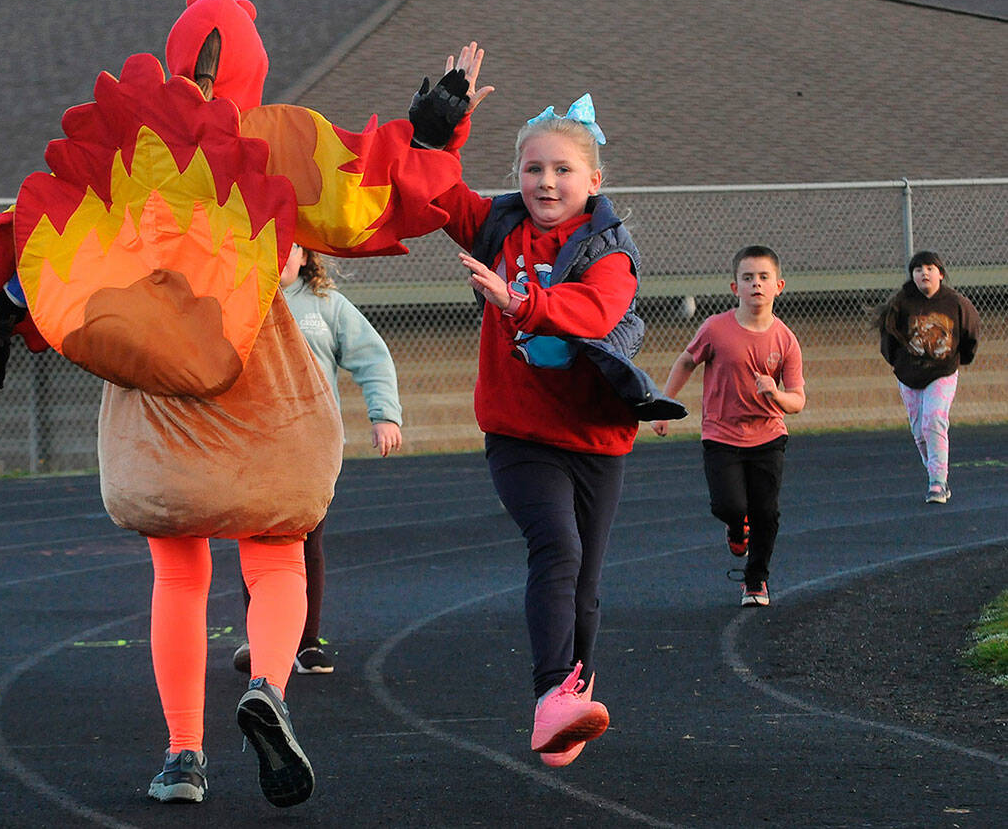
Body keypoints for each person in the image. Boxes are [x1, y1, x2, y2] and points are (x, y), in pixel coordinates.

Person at [0, 0, 466, 808]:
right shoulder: (278, 136)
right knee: (276, 556)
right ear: (250, 64)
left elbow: (45, 220)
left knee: (179, 577)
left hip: (156, 398)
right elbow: (373, 196)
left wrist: (2, 314)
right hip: (260, 388)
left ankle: (182, 755)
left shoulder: (136, 131)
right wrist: (437, 128)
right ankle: (269, 684)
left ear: (180, 51)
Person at [410, 44, 679, 767]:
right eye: (534, 168)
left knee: (586, 582)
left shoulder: (610, 249)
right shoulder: (500, 226)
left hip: (596, 435)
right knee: (555, 546)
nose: (546, 181)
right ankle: (548, 696)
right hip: (521, 431)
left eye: (562, 170)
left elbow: (594, 312)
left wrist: (519, 299)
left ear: (595, 180)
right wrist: (440, 134)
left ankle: (567, 706)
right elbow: (434, 196)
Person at [232, 243, 404, 676]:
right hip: (251, 444)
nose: (279, 254)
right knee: (256, 543)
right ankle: (263, 638)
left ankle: (306, 642)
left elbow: (372, 358)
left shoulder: (327, 306)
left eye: (289, 247)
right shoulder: (239, 299)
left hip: (311, 447)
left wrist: (384, 415)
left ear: (306, 256)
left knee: (308, 541)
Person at [650, 246, 806, 608]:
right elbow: (687, 361)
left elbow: (798, 400)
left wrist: (776, 394)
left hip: (768, 435)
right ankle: (737, 528)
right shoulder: (715, 329)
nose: (756, 285)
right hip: (721, 435)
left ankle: (756, 581)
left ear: (778, 286)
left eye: (764, 278)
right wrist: (663, 405)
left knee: (767, 512)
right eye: (748, 278)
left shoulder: (785, 340)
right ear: (735, 287)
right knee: (729, 505)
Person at [874, 251, 980, 504]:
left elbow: (970, 334)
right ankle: (935, 472)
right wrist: (899, 364)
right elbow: (888, 338)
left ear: (940, 274)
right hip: (909, 374)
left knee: (934, 420)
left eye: (930, 268)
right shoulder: (902, 302)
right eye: (918, 269)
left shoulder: (956, 303)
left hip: (942, 372)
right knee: (920, 432)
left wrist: (958, 360)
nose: (924, 273)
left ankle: (938, 483)